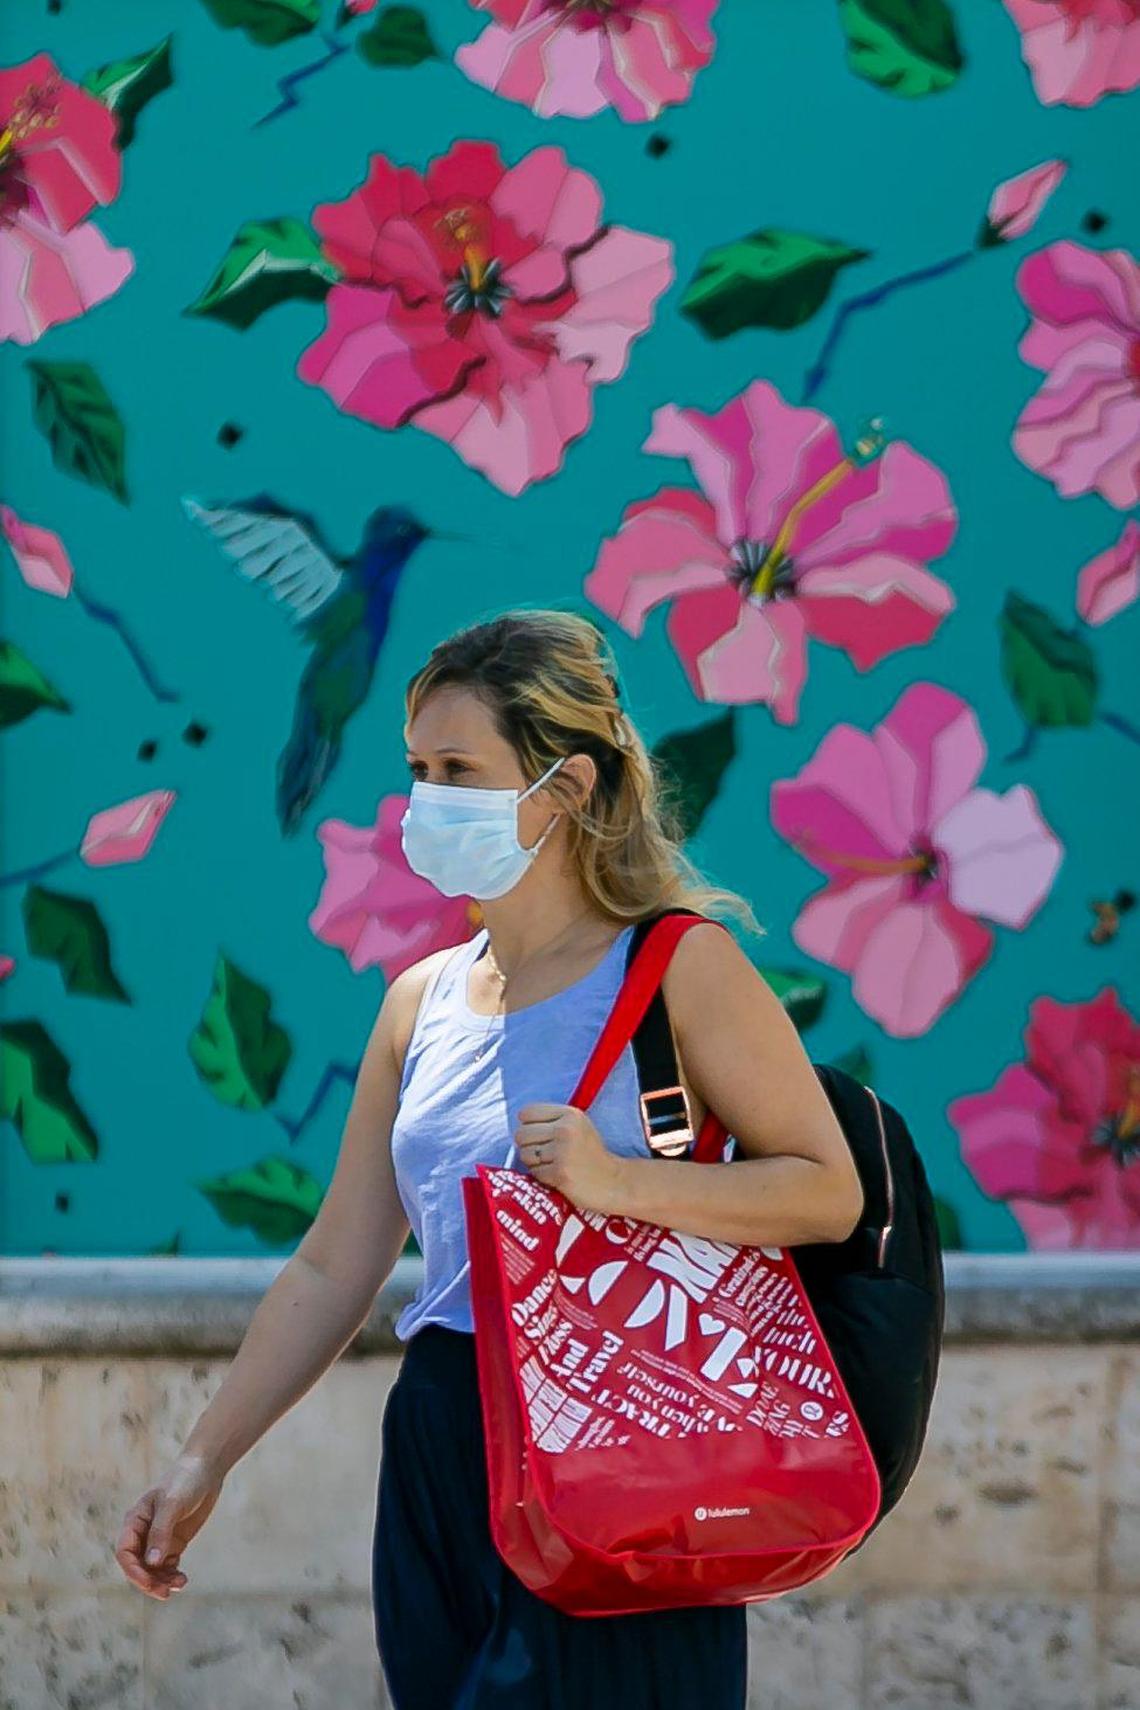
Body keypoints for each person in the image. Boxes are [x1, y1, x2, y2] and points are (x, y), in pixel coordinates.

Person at [114, 608, 865, 1708]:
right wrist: (205, 1458)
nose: (427, 798)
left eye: (458, 768)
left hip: (622, 1442)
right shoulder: (418, 1001)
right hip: (443, 1432)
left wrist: (622, 1184)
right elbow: (336, 1264)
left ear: (560, 791)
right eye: (418, 768)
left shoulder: (677, 967)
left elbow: (827, 1190)